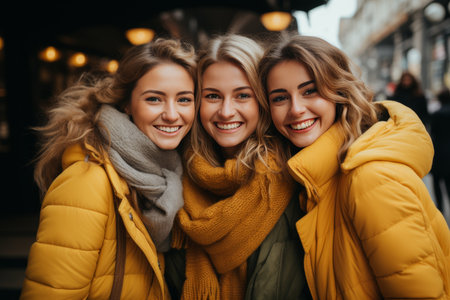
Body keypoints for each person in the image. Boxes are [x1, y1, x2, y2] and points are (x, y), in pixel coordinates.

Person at [258, 34, 450, 299]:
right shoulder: (316, 178)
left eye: (310, 90)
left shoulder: (370, 178)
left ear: (338, 91)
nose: (296, 109)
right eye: (280, 98)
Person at [20, 38, 197, 299]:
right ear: (127, 104)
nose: (172, 114)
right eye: (154, 99)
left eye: (184, 100)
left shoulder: (172, 173)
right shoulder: (87, 181)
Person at [164, 34, 311, 299]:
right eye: (213, 96)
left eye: (243, 95)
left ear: (263, 100)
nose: (226, 111)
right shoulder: (172, 178)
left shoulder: (295, 174)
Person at [430, 88, 450, 212]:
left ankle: (440, 209)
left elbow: (433, 133)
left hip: (438, 152)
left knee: (437, 184)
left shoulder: (436, 115)